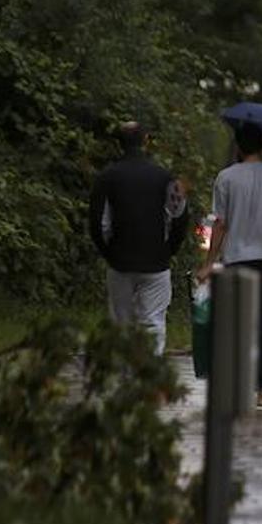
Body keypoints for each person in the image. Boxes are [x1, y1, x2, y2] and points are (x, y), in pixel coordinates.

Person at [197, 122, 262, 408]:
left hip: (236, 258)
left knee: (233, 321)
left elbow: (220, 224)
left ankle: (234, 382)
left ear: (238, 146)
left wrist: (208, 263)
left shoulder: (225, 177)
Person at [89, 121, 189, 356]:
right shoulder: (165, 178)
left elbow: (98, 223)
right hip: (156, 261)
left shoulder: (107, 177)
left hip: (120, 262)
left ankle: (124, 375)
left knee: (121, 321)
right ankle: (149, 374)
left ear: (119, 144)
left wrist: (109, 252)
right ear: (146, 141)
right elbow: (180, 215)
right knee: (153, 323)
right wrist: (168, 250)